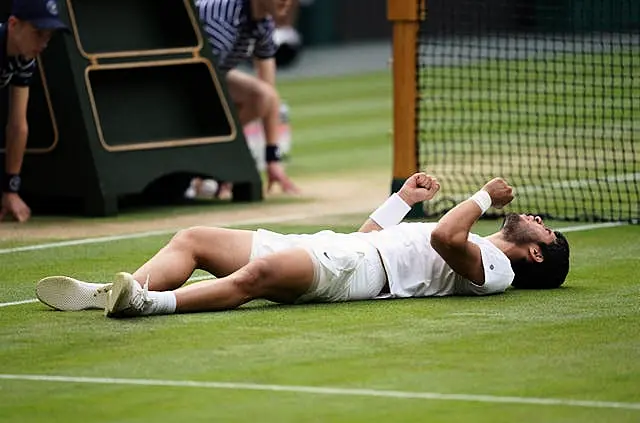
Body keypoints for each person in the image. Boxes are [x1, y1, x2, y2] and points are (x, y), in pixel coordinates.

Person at [35, 172, 571, 318]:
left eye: (545, 229)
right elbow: (367, 239)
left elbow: (443, 235)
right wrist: (400, 202)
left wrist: (482, 195)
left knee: (253, 279)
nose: (537, 219)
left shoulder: (497, 269)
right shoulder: (484, 245)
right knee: (194, 239)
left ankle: (148, 303)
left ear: (537, 254)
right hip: (343, 250)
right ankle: (114, 291)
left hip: (358, 277)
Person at [194, 0, 300, 197]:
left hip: (214, 76)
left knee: (262, 96)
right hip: (183, 81)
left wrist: (272, 160)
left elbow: (270, 95)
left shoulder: (263, 23)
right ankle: (203, 164)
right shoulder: (221, 17)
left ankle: (215, 156)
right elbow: (198, 80)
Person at [0, 0, 68, 223]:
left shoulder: (24, 58)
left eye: (48, 36)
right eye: (38, 33)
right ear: (13, 24)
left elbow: (18, 125)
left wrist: (11, 190)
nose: (44, 43)